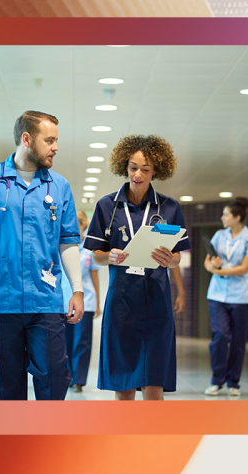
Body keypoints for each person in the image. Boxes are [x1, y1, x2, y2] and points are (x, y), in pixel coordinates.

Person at [0, 110, 84, 400]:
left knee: (54, 380)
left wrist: (77, 289)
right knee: (4, 387)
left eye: (56, 140)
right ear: (26, 139)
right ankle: (10, 444)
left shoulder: (59, 186)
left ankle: (47, 443)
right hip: (0, 299)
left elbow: (68, 242)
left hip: (45, 299)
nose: (56, 147)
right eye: (49, 140)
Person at [83, 134, 189, 400]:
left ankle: (154, 441)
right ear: (124, 166)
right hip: (122, 302)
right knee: (124, 383)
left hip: (156, 301)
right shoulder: (107, 206)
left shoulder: (170, 207)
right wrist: (110, 256)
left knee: (154, 384)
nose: (138, 174)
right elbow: (96, 255)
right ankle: (125, 439)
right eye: (133, 167)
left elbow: (178, 256)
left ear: (156, 170)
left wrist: (170, 260)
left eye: (145, 168)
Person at [203, 197, 248, 397]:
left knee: (238, 340)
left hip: (240, 297)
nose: (222, 218)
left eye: (225, 215)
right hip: (217, 295)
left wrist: (219, 271)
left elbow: (245, 267)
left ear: (236, 217)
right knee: (220, 335)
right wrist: (213, 267)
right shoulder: (219, 235)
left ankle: (233, 382)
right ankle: (217, 380)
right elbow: (207, 263)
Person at [62, 210, 102, 393]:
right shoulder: (59, 243)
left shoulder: (89, 248)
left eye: (77, 223)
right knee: (64, 341)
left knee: (82, 341)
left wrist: (98, 302)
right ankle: (66, 376)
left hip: (86, 301)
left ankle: (78, 380)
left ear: (84, 225)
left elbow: (94, 276)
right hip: (63, 300)